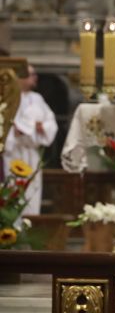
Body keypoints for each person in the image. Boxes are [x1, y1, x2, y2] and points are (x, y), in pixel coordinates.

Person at [3, 65, 58, 215]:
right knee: (11, 191)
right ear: (18, 77)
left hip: (31, 154)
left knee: (31, 194)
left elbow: (50, 123)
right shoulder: (6, 96)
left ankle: (30, 225)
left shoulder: (37, 99)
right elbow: (6, 122)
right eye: (30, 74)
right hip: (13, 151)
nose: (35, 77)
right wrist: (22, 129)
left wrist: (41, 128)